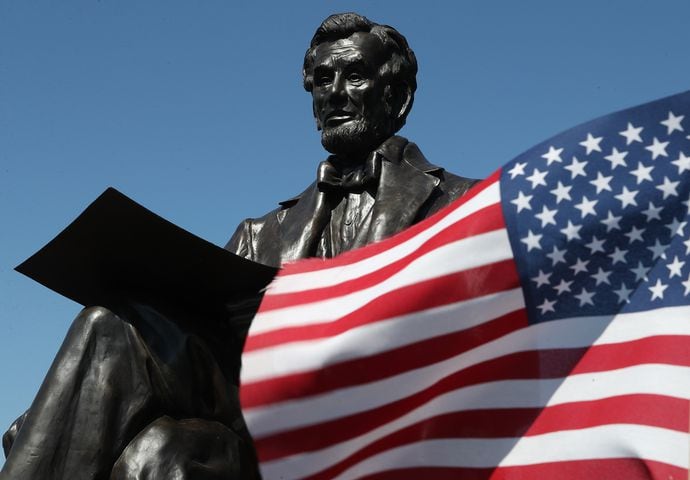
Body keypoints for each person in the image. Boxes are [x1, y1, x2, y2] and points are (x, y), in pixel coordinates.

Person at [2, 12, 477, 479]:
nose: (333, 93)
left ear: (397, 95)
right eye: (322, 79)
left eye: (354, 76)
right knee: (109, 323)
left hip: (378, 420)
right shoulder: (261, 232)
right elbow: (208, 339)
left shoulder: (461, 204)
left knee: (163, 453)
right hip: (258, 421)